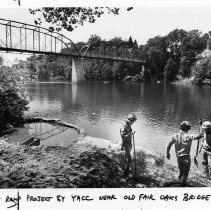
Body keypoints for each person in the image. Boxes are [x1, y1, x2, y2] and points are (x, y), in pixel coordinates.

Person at [166, 121, 203, 186]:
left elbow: (169, 145)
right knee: (185, 174)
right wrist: (200, 125)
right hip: (186, 158)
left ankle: (179, 182)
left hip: (178, 157)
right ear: (188, 129)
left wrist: (168, 153)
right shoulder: (189, 136)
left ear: (181, 127)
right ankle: (181, 185)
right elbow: (200, 135)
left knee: (180, 171)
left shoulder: (175, 135)